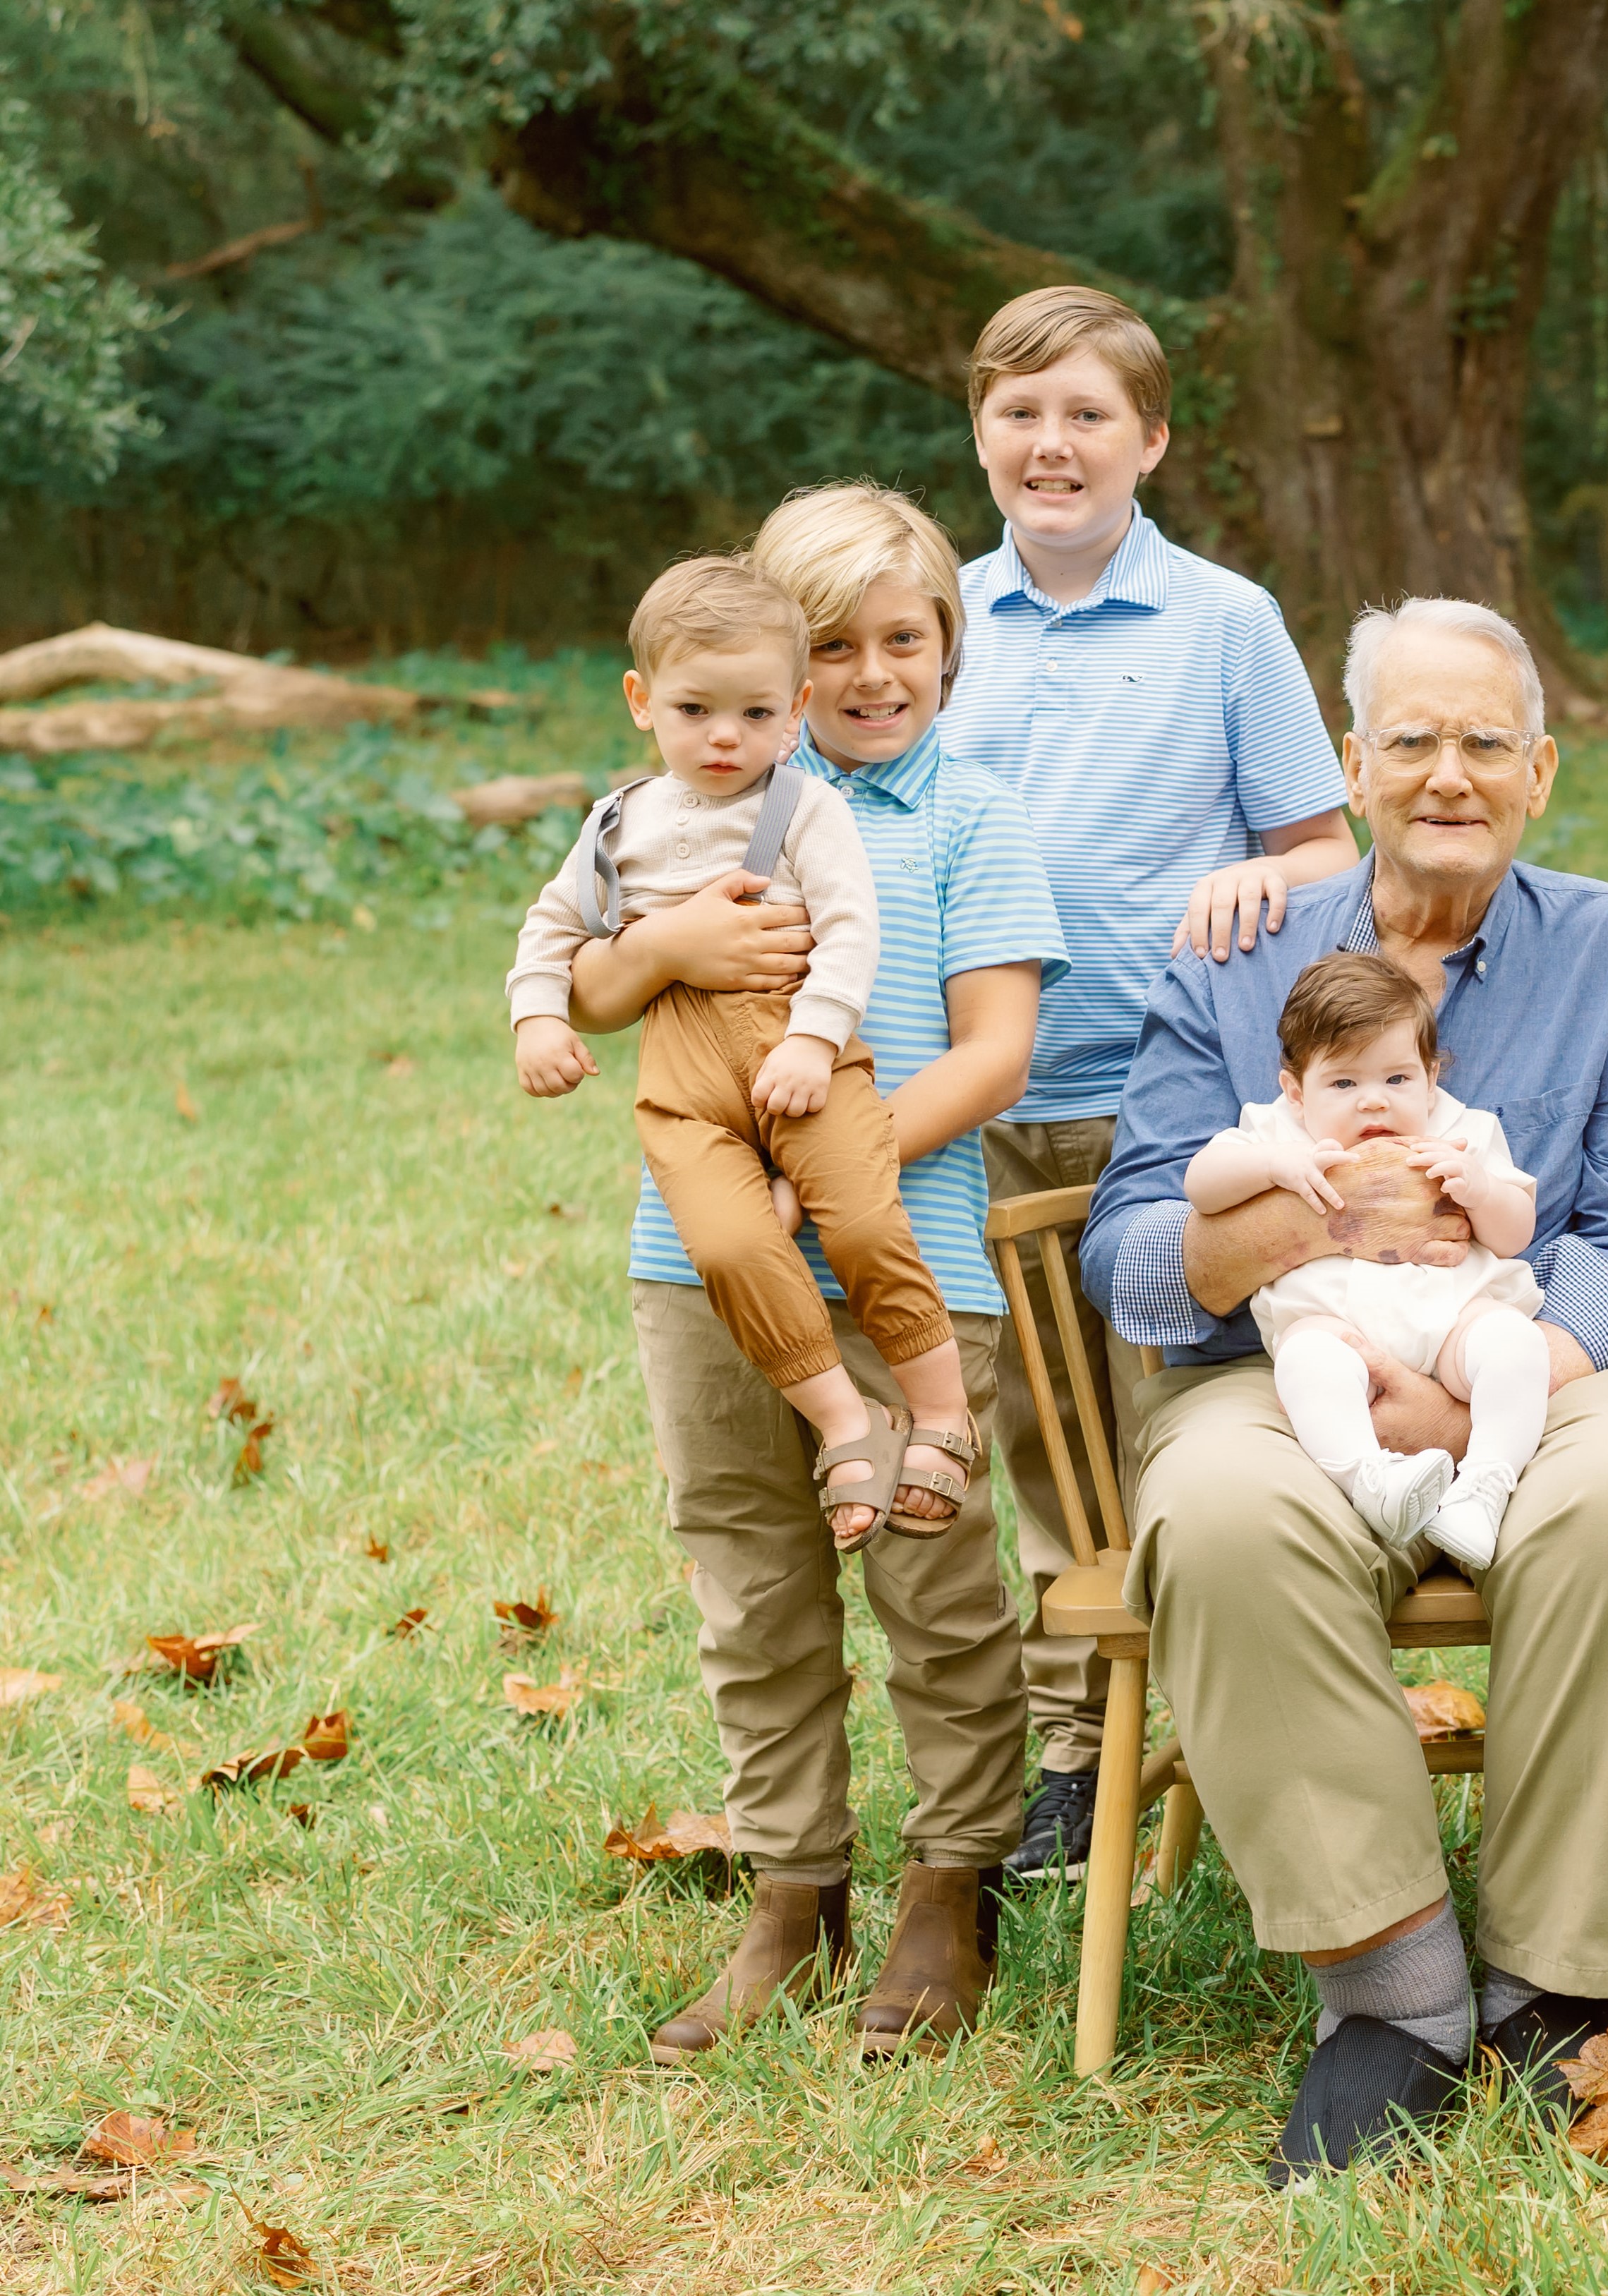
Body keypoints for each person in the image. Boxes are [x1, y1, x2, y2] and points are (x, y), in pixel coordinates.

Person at [1077, 597, 1608, 2180]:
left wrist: (1480, 1378)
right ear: (1353, 764)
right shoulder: (1239, 948)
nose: (1449, 774)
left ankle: (1561, 1978)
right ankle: (1395, 1994)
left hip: (1532, 1346)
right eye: (1411, 741)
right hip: (1282, 1363)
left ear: (1542, 771)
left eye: (1485, 742)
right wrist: (1306, 1223)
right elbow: (1134, 1256)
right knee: (1224, 1516)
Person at [564, 483, 1065, 2062]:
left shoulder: (967, 816)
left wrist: (825, 1170)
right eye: (830, 644)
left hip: (908, 1261)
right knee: (754, 1577)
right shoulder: (667, 818)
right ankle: (793, 1888)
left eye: (900, 642)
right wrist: (664, 958)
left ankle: (949, 1880)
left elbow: (996, 1051)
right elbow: (583, 978)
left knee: (932, 1577)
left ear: (946, 650)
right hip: (701, 1266)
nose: (866, 676)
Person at [936, 284, 1360, 1885]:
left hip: (1163, 1094)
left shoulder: (1222, 621)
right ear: (979, 430)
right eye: (1018, 412)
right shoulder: (940, 621)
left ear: (1151, 440)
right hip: (969, 1095)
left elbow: (1318, 846)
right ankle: (1071, 1746)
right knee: (1034, 1428)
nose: (1051, 443)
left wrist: (1261, 886)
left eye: (1086, 415)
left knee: (1174, 1412)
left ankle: (1238, 1723)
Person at [510, 555, 979, 1553]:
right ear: (640, 700)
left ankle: (941, 1408)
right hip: (683, 1086)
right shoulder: (616, 821)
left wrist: (813, 1039)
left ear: (794, 706)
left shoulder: (807, 808)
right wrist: (538, 1020)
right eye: (695, 709)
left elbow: (851, 929)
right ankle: (845, 1420)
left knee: (859, 1214)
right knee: (725, 1247)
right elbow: (555, 930)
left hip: (798, 1052)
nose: (727, 737)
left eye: (757, 715)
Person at [1186, 950, 1551, 1567]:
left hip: (1453, 1326)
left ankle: (1485, 1486)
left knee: (1516, 1345)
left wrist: (1481, 1190)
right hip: (1337, 1332)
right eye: (1344, 1083)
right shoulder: (1279, 1134)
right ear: (1296, 1092)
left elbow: (1515, 1234)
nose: (1374, 1102)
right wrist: (1274, 1167)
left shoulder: (1463, 1132)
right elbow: (1202, 1183)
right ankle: (1371, 1483)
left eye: (1397, 1079)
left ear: (1431, 1078)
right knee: (1308, 1362)